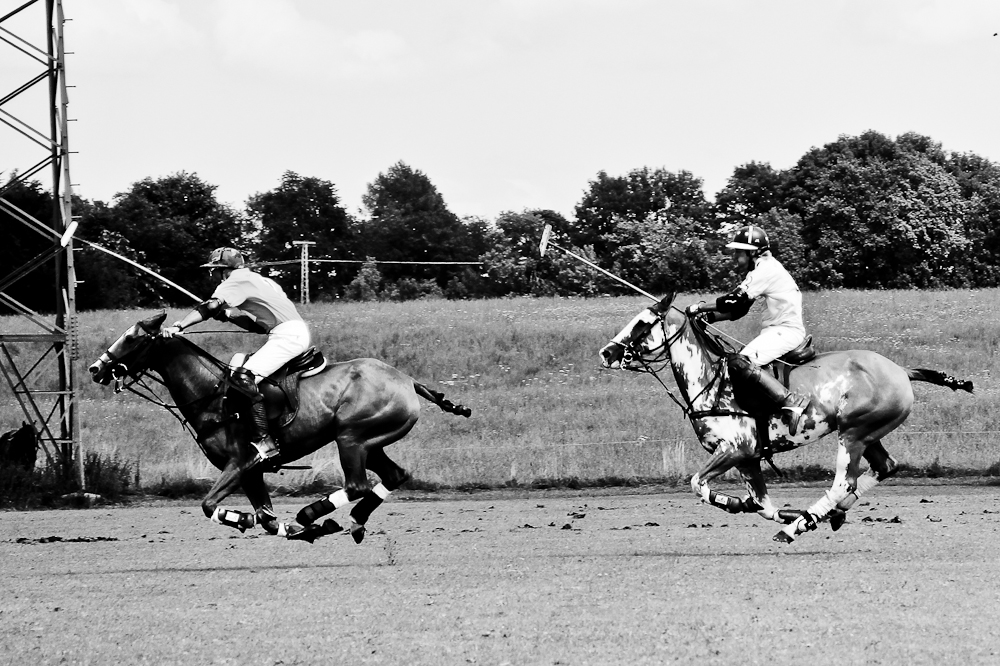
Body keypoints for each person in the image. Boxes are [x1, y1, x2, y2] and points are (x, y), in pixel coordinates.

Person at [162, 247, 311, 467]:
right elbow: (257, 325)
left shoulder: (235, 280)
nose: (212, 274)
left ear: (225, 270)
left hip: (287, 335)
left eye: (214, 269)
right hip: (289, 332)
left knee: (243, 379)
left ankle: (264, 443)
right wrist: (227, 316)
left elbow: (209, 306)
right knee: (239, 372)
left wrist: (179, 325)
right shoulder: (258, 281)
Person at [686, 225, 811, 434]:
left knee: (740, 363)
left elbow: (733, 300)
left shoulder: (766, 269)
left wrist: (698, 307)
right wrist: (709, 318)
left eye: (738, 251)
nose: (735, 256)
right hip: (778, 331)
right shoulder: (761, 269)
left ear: (752, 252)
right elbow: (739, 310)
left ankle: (792, 402)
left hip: (786, 331)